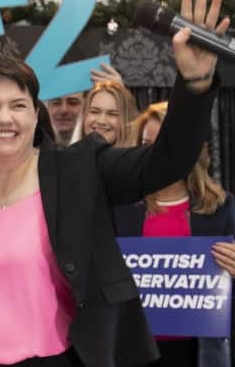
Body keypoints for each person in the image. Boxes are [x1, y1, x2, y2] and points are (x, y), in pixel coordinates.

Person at [0, 0, 229, 367]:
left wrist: (195, 83)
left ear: (35, 115)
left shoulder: (77, 169)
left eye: (18, 104)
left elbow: (168, 162)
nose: (5, 118)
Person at [113, 101, 235, 367]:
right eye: (147, 143)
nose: (156, 154)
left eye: (166, 144)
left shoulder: (222, 208)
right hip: (131, 350)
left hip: (196, 352)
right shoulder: (118, 206)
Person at [72, 78, 138, 147]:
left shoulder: (137, 157)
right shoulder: (69, 156)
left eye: (112, 114)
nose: (101, 121)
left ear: (127, 120)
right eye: (94, 112)